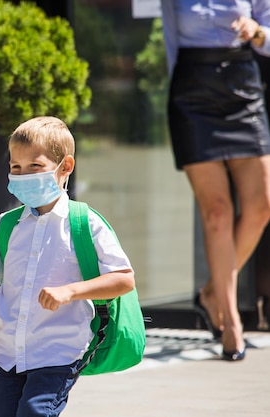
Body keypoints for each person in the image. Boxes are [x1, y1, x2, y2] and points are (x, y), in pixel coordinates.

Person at [0, 116, 135, 417]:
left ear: (65, 167)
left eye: (34, 166)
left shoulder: (84, 223)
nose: (22, 174)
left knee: (34, 412)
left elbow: (123, 279)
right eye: (15, 167)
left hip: (58, 352)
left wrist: (71, 291)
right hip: (7, 353)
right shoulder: (6, 226)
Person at [160, 1, 270, 361]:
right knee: (218, 212)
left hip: (243, 84)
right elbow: (169, 41)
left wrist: (256, 31)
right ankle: (231, 322)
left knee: (261, 206)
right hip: (191, 90)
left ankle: (211, 293)